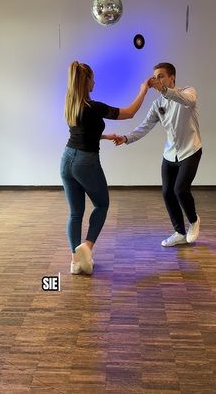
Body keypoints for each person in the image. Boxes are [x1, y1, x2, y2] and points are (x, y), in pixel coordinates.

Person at [60, 61, 150, 274]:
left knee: (75, 213)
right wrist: (143, 90)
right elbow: (129, 113)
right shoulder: (94, 107)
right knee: (102, 204)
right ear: (86, 81)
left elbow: (81, 132)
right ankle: (87, 248)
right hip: (85, 162)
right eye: (92, 78)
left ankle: (76, 262)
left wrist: (104, 136)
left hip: (66, 160)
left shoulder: (72, 105)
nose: (95, 81)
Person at [114, 62, 202, 247]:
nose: (157, 79)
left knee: (180, 190)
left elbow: (188, 101)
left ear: (172, 77)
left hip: (190, 151)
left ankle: (194, 221)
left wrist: (165, 90)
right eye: (155, 76)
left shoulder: (188, 92)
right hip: (170, 154)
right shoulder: (157, 104)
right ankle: (179, 232)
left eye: (161, 76)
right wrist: (126, 137)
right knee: (167, 192)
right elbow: (145, 126)